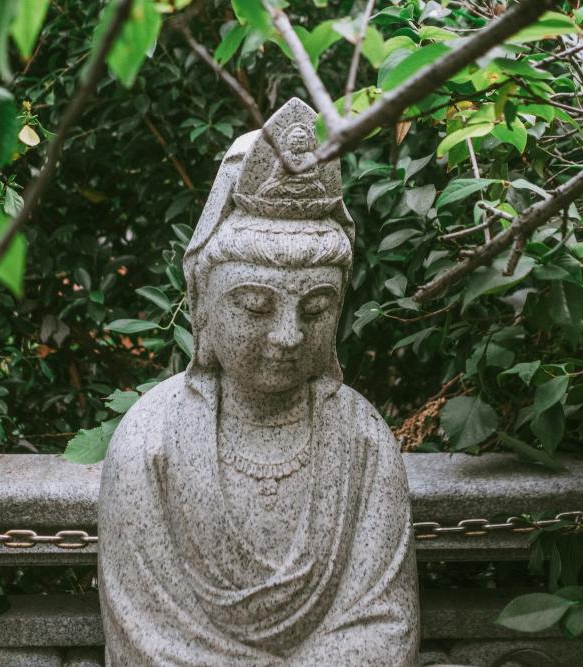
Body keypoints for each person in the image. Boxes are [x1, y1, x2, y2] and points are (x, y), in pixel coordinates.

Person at [97, 99, 418, 666]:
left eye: (317, 308)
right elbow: (144, 637)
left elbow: (384, 623)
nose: (288, 336)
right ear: (203, 308)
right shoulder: (151, 440)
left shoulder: (361, 439)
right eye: (255, 305)